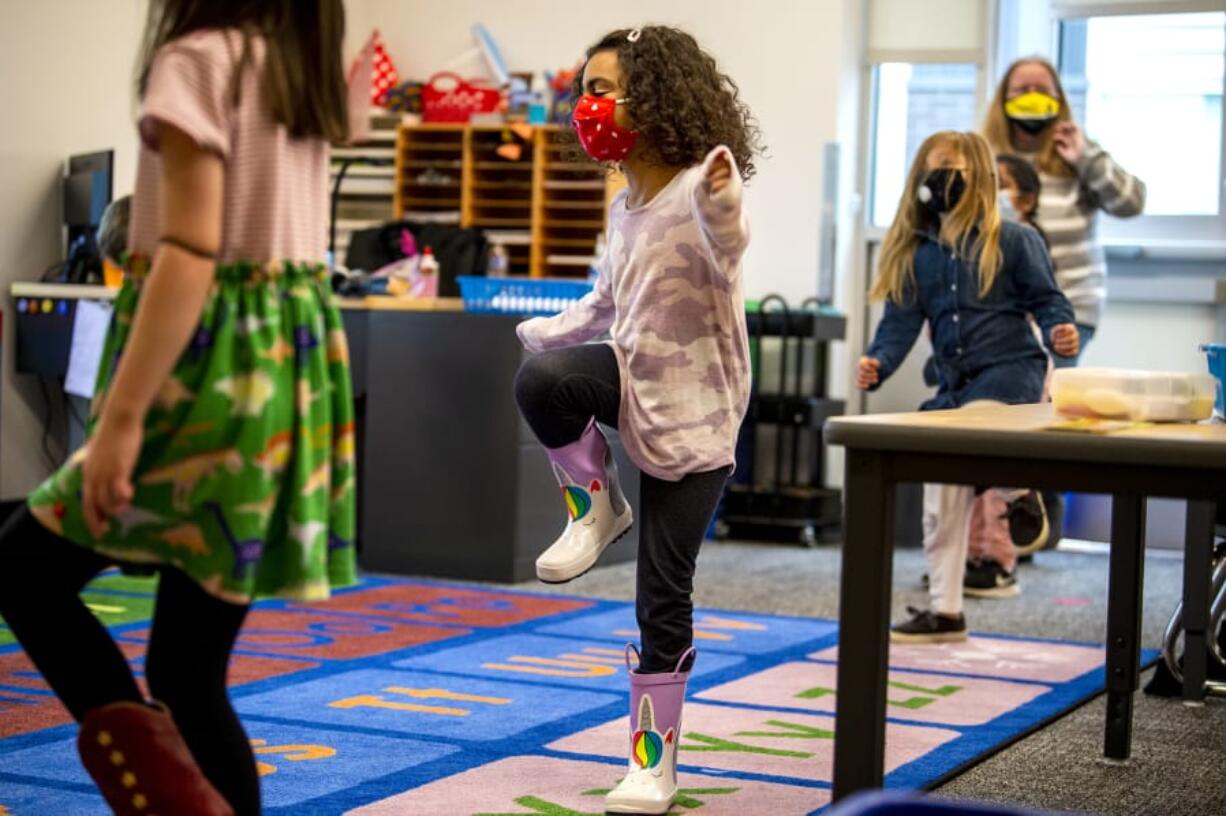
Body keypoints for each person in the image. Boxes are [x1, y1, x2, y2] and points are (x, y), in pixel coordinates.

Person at [0, 2, 356, 814]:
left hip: (206, 374)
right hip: (284, 375)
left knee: (22, 571)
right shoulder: (296, 64)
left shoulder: (197, 61)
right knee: (187, 672)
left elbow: (192, 252)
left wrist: (120, 419)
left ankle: (159, 792)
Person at [512, 25, 759, 815]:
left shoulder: (697, 187)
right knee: (543, 381)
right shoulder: (625, 208)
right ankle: (597, 506)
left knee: (661, 595)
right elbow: (609, 304)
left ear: (655, 97)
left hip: (699, 420)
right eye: (583, 91)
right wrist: (546, 334)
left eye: (602, 89)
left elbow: (728, 237)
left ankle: (653, 763)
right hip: (634, 380)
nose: (588, 107)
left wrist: (723, 201)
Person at [857, 131, 1079, 643]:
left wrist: (1060, 332)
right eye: (935, 169)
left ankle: (1019, 492)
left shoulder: (1016, 239)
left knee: (974, 427)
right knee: (941, 494)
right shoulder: (916, 254)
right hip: (954, 388)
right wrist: (878, 361)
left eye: (954, 170)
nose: (944, 180)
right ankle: (946, 611)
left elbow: (1049, 301)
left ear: (978, 178)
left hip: (1010, 375)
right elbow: (899, 325)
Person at [983, 56, 1146, 366]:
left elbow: (1131, 203)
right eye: (1022, 90)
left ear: (1058, 98)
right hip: (998, 308)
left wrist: (1086, 157)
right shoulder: (986, 158)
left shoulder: (1078, 156)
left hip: (1069, 306)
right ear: (1003, 99)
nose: (1032, 96)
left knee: (1042, 392)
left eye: (1042, 89)